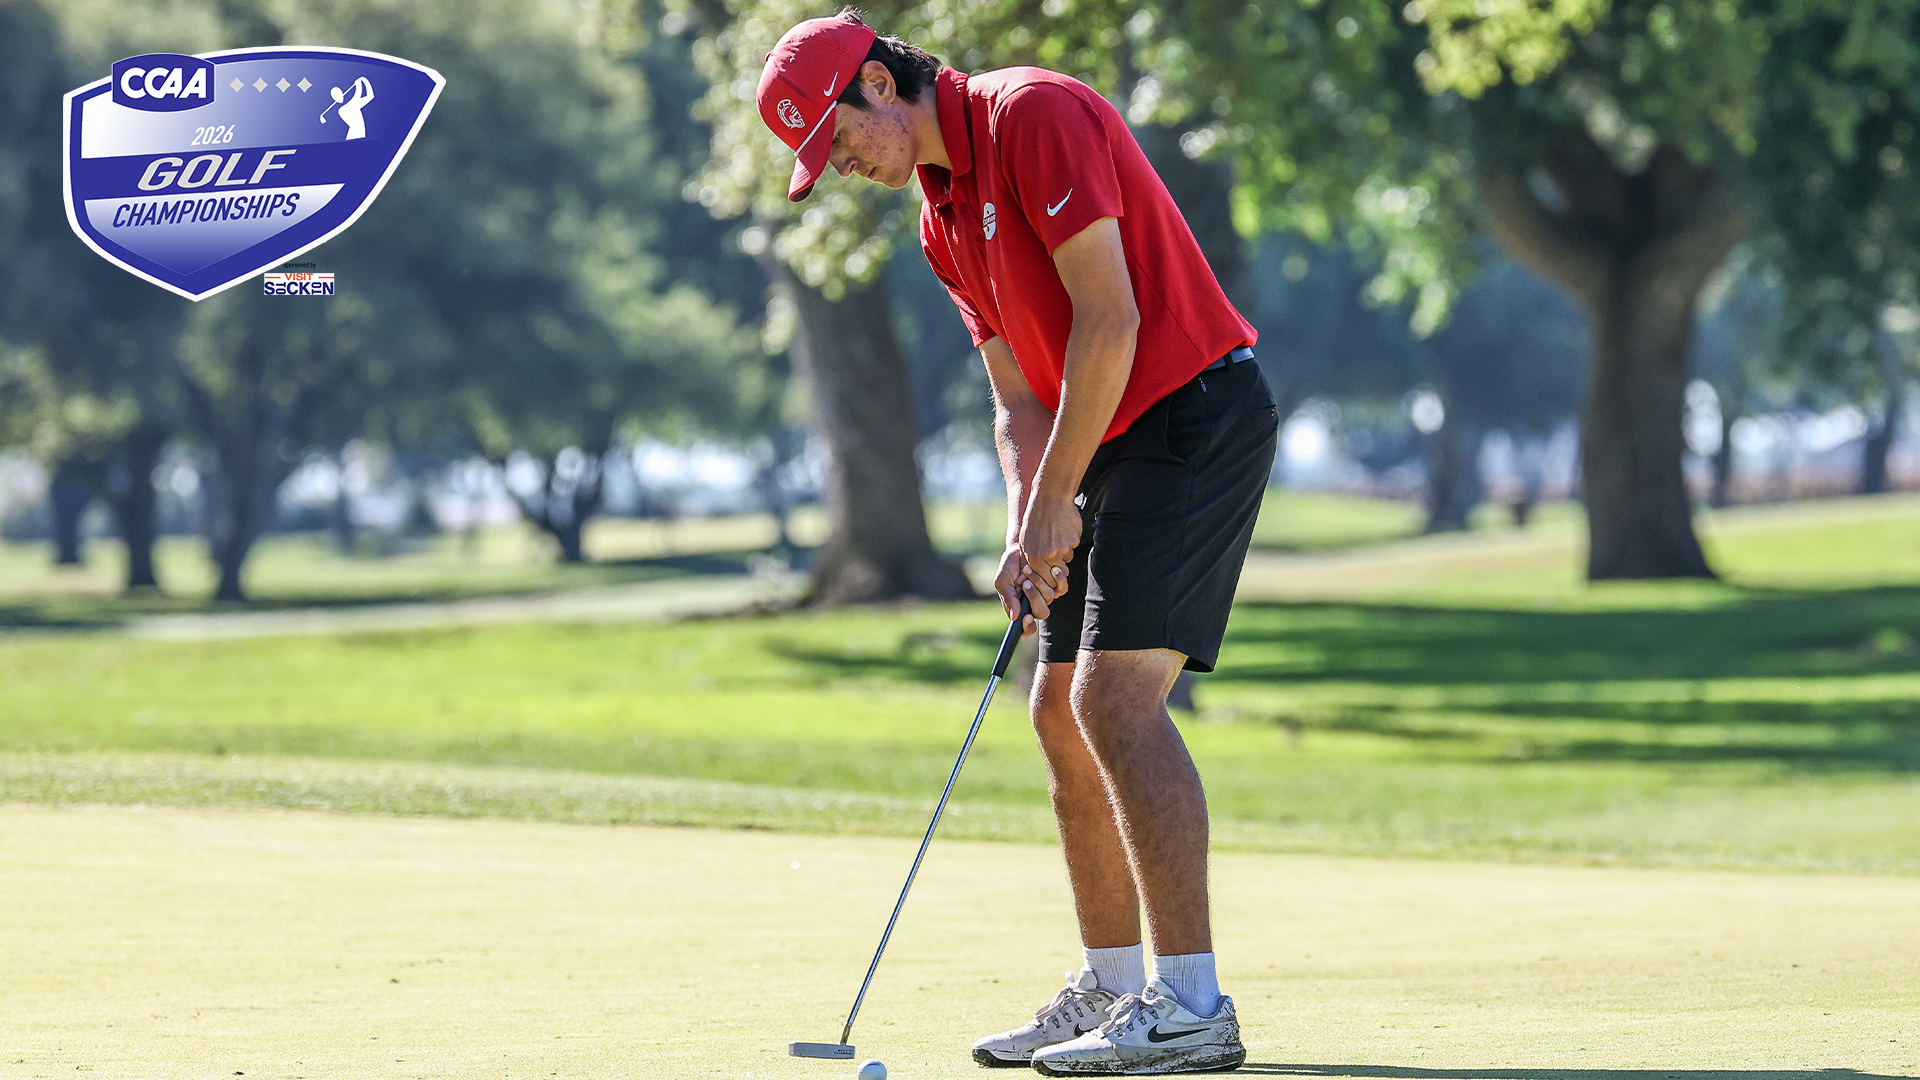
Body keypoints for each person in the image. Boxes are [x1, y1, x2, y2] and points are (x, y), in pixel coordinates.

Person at [757, 12, 1278, 1075]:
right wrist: (1023, 518)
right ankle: (1115, 986)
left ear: (877, 84)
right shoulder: (940, 220)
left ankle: (1194, 1003)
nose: (843, 166)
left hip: (1191, 412)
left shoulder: (1028, 113)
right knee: (1054, 708)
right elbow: (1014, 399)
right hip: (1106, 435)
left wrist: (1058, 500)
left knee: (1111, 700)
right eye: (824, 160)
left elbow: (1112, 320)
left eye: (839, 139)